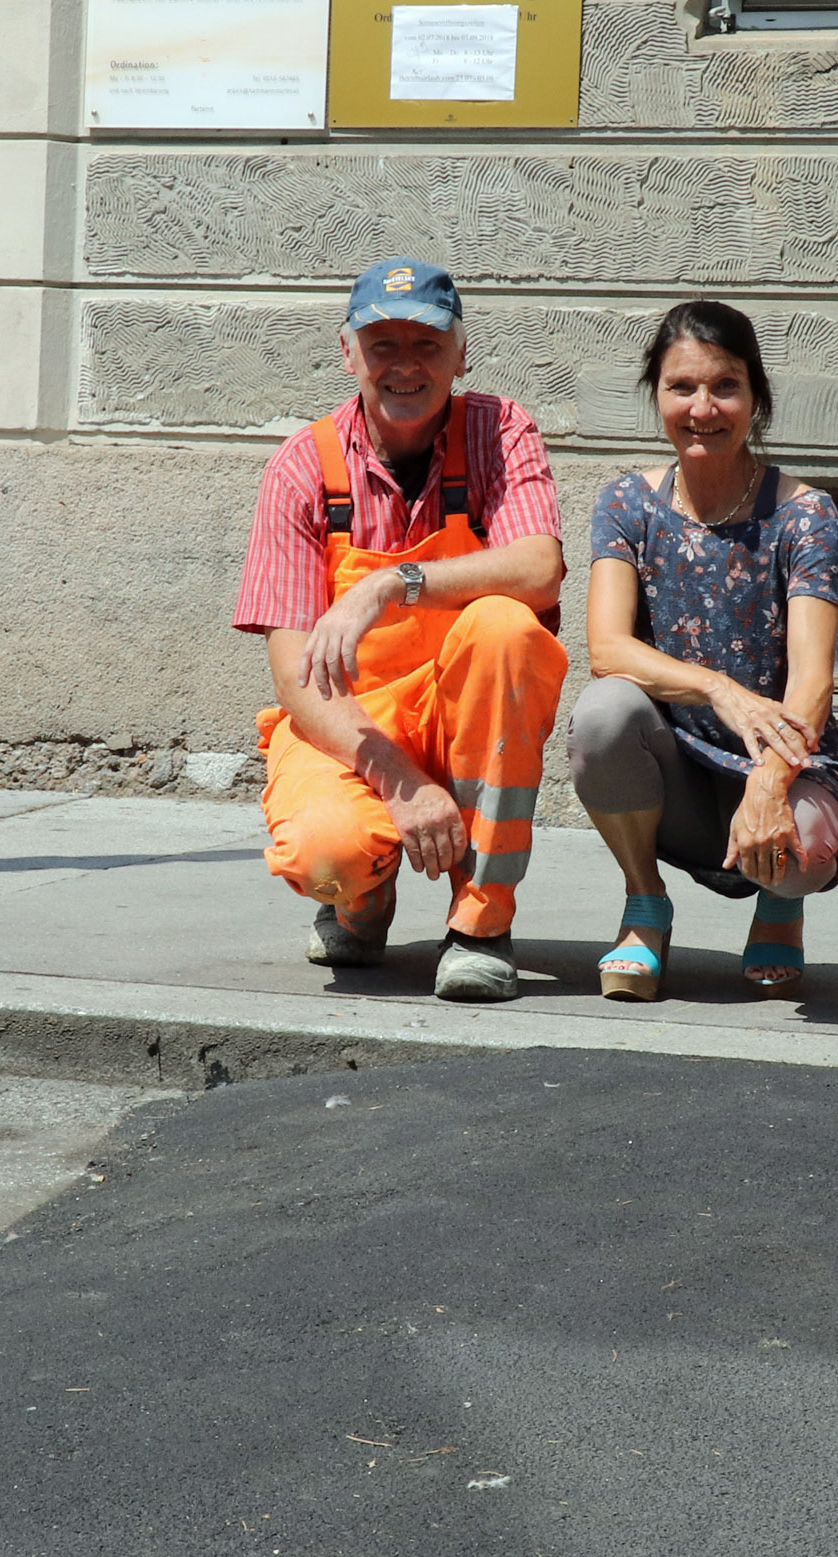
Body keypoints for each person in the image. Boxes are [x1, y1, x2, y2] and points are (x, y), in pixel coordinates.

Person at [235, 259, 567, 1003]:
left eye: (427, 343)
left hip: (463, 718)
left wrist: (394, 583)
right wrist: (401, 781)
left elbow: (541, 568)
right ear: (347, 352)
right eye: (383, 345)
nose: (405, 366)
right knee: (324, 854)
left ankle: (482, 923)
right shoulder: (302, 468)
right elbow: (294, 678)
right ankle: (360, 895)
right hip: (349, 728)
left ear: (461, 351)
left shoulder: (499, 431)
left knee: (507, 629)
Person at [567, 301, 838, 1000]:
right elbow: (608, 649)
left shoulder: (805, 513)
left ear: (756, 397)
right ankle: (645, 906)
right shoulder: (626, 505)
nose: (704, 408)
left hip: (789, 768)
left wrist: (769, 783)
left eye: (725, 387)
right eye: (682, 388)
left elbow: (813, 683)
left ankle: (780, 904)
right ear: (657, 395)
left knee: (796, 858)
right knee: (603, 713)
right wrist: (719, 690)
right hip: (680, 783)